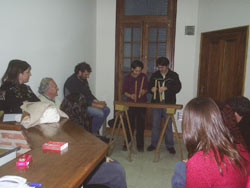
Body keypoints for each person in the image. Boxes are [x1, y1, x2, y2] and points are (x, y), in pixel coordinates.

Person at [38, 78, 127, 188]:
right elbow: (81, 154)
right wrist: (101, 159)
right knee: (117, 170)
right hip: (76, 169)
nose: (57, 89)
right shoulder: (72, 127)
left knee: (113, 165)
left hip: (75, 163)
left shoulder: (65, 115)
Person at [173, 97, 250, 188]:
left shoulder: (199, 162)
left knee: (180, 167)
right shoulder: (240, 147)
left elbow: (206, 167)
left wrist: (193, 165)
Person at [64, 62, 110, 135]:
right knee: (100, 113)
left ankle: (93, 130)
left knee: (107, 109)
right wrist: (96, 105)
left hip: (86, 103)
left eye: (88, 74)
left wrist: (98, 102)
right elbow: (79, 101)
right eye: (86, 74)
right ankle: (91, 134)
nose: (87, 76)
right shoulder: (71, 82)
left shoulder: (83, 79)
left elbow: (89, 94)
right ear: (79, 72)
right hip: (77, 107)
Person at [147, 57, 181, 154]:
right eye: (159, 67)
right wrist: (151, 89)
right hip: (156, 103)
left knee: (168, 125)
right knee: (155, 124)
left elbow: (178, 88)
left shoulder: (173, 75)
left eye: (162, 67)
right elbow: (149, 86)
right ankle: (154, 144)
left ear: (167, 66)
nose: (160, 69)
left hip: (169, 103)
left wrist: (166, 88)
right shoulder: (155, 75)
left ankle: (170, 145)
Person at [122, 60, 148, 152]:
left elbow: (146, 89)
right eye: (136, 70)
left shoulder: (144, 77)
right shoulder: (127, 78)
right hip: (131, 103)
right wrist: (130, 95)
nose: (138, 73)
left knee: (140, 125)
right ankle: (127, 143)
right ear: (132, 69)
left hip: (141, 103)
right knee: (129, 124)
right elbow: (123, 91)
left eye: (140, 71)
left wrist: (143, 91)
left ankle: (140, 145)